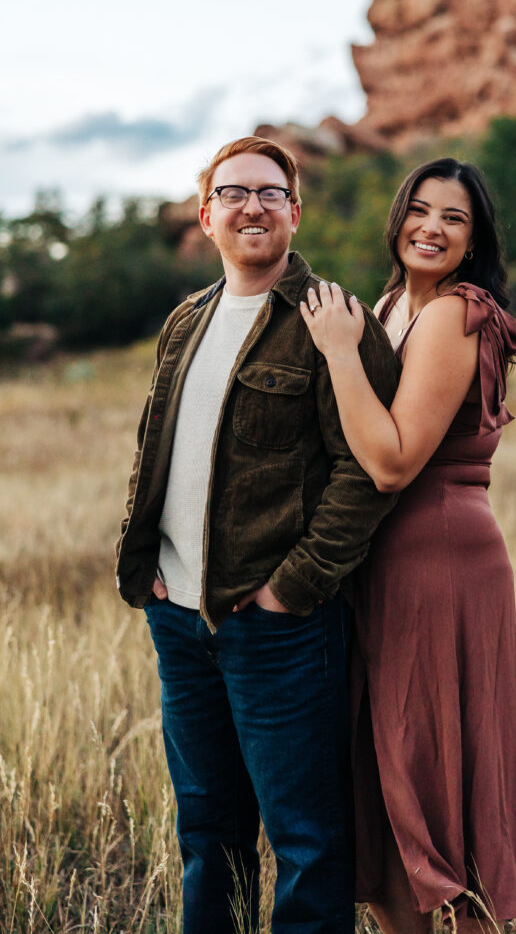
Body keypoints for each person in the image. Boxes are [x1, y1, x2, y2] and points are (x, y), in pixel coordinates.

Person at [115, 136, 399, 934]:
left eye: (271, 193)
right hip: (182, 622)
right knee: (208, 836)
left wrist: (294, 586)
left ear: (294, 213)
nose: (253, 206)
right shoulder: (186, 321)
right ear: (207, 217)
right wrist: (151, 573)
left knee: (307, 842)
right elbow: (154, 449)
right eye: (234, 193)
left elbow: (366, 473)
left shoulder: (331, 321)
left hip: (278, 631)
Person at [301, 157, 516, 933]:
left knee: (434, 770)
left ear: (473, 242)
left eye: (454, 218)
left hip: (438, 558)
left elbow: (394, 458)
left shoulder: (451, 315)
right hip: (381, 562)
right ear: (398, 216)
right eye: (421, 210)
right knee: (383, 772)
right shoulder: (393, 304)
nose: (432, 228)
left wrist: (339, 350)